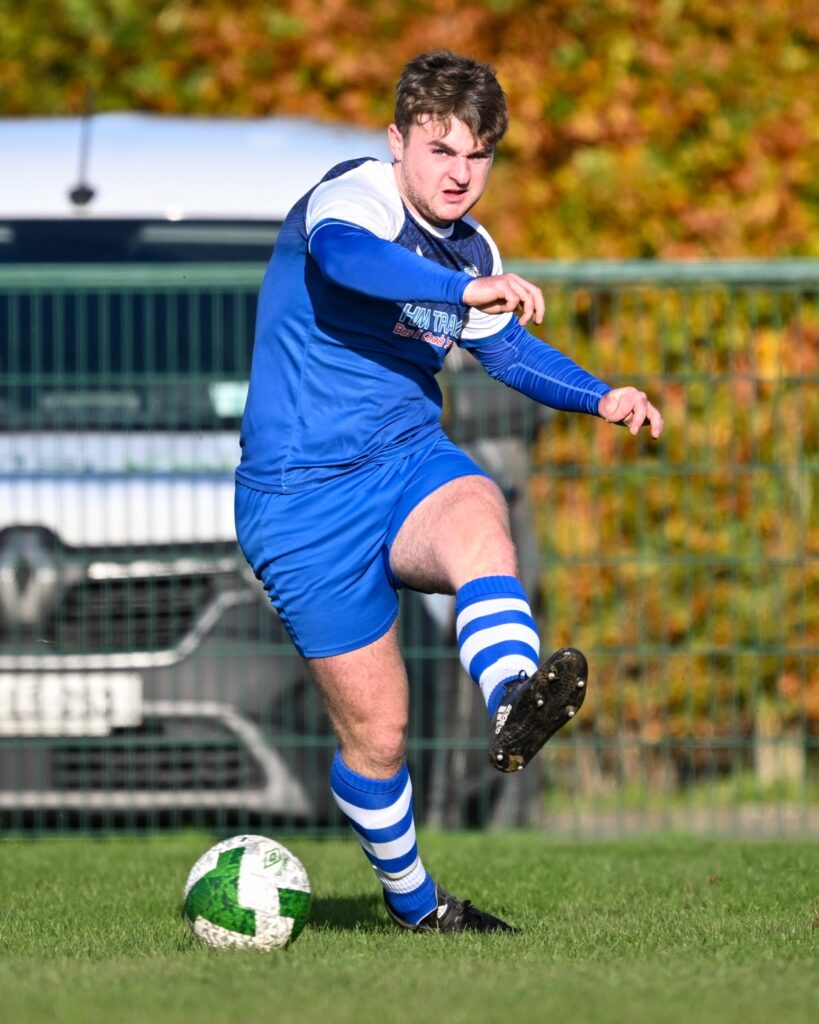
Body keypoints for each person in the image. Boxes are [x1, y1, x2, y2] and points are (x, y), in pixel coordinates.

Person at [235, 50, 663, 934]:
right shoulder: (353, 198)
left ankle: (512, 696)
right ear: (397, 142)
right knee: (378, 737)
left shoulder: (473, 248)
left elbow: (505, 350)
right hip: (298, 501)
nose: (459, 174)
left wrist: (601, 396)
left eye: (478, 155)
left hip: (404, 461)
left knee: (477, 511)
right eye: (440, 150)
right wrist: (461, 287)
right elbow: (347, 259)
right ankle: (416, 907)